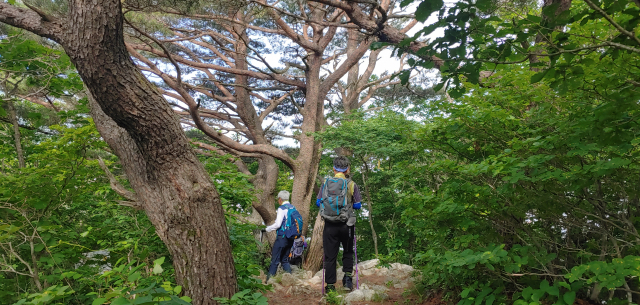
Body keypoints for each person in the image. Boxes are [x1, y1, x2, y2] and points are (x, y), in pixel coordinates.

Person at [316, 156, 362, 292]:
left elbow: (319, 203)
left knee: (330, 255)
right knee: (347, 252)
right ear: (347, 169)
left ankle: (330, 286)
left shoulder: (325, 183)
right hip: (346, 224)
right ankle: (347, 280)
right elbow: (358, 205)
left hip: (329, 225)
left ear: (334, 169)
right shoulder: (351, 184)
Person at [263, 190, 297, 280]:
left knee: (275, 260)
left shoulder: (282, 208)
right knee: (284, 260)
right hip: (291, 238)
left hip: (282, 237)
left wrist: (267, 229)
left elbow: (278, 224)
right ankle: (290, 280)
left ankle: (269, 281)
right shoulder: (293, 208)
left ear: (280, 199)